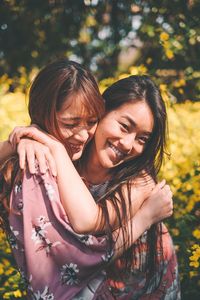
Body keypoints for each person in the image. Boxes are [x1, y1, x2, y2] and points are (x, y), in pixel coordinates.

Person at [0, 60, 179, 299]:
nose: (127, 144)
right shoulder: (71, 157)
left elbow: (89, 221)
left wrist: (52, 145)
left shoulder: (141, 182)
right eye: (124, 126)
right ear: (102, 110)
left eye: (142, 139)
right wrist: (24, 140)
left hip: (145, 289)